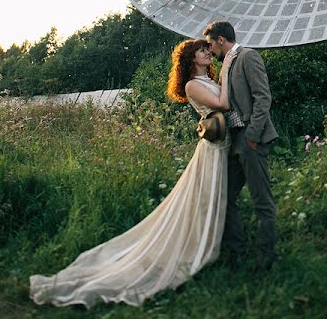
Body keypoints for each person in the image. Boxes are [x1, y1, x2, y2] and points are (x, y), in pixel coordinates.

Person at [29, 39, 234, 307]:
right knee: (205, 200)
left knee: (213, 199)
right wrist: (228, 67)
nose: (208, 52)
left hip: (222, 146)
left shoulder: (207, 79)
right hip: (213, 149)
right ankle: (196, 251)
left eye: (208, 49)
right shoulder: (192, 85)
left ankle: (215, 244)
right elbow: (223, 103)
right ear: (190, 58)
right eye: (201, 50)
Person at [204, 20, 278, 271]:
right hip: (234, 139)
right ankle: (236, 254)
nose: (210, 50)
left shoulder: (248, 57)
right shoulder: (225, 64)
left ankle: (265, 259)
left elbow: (263, 97)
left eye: (211, 44)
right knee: (226, 196)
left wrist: (252, 136)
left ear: (221, 40)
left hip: (250, 138)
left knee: (262, 201)